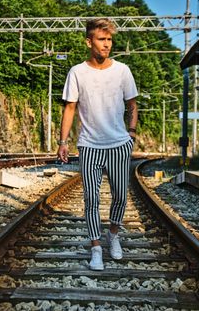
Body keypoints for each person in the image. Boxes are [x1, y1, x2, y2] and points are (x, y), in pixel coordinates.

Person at [57, 18, 138, 270]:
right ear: (89, 41)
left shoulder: (122, 70)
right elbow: (70, 107)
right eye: (101, 39)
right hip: (89, 145)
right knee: (91, 198)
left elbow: (132, 104)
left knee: (120, 197)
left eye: (109, 40)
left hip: (118, 144)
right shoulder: (77, 72)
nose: (107, 45)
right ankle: (95, 248)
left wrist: (132, 133)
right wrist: (63, 141)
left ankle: (113, 235)